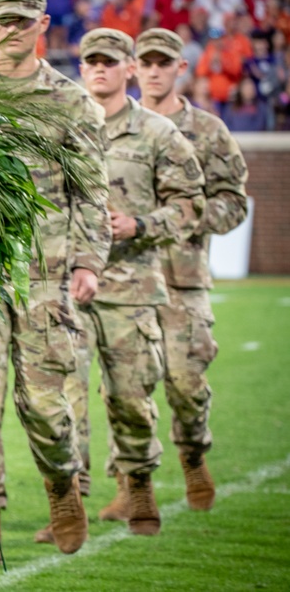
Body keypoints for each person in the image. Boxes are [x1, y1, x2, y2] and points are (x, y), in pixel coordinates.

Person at [0, 0, 112, 566]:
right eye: (3, 20)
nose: (12, 30)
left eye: (24, 21)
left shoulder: (72, 101)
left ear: (43, 26)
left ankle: (61, 488)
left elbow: (92, 192)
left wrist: (86, 262)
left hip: (47, 276)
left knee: (47, 407)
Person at [77, 27, 205, 536]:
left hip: (131, 287)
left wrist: (141, 224)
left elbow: (189, 204)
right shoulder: (62, 126)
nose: (101, 69)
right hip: (68, 287)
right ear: (82, 68)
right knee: (60, 403)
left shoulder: (157, 133)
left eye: (111, 61)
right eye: (92, 61)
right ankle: (69, 500)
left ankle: (139, 483)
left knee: (129, 395)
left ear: (127, 68)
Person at [127, 27, 248, 510]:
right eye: (146, 62)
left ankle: (193, 454)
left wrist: (189, 219)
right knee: (127, 387)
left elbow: (233, 201)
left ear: (181, 68)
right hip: (127, 277)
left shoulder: (209, 131)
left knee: (186, 380)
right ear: (133, 68)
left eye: (164, 62)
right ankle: (132, 484)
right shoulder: (112, 123)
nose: (154, 71)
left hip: (183, 277)